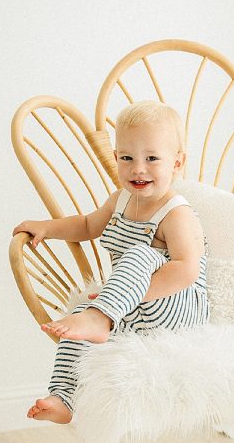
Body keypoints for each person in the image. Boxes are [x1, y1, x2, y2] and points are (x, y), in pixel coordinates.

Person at [13, 100, 209, 424]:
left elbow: (186, 270)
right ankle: (63, 397)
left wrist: (130, 297)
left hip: (177, 309)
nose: (138, 168)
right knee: (75, 321)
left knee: (141, 254)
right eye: (127, 158)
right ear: (116, 158)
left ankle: (100, 317)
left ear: (177, 163)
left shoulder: (176, 213)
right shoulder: (120, 200)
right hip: (128, 309)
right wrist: (48, 228)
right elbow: (88, 225)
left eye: (152, 159)